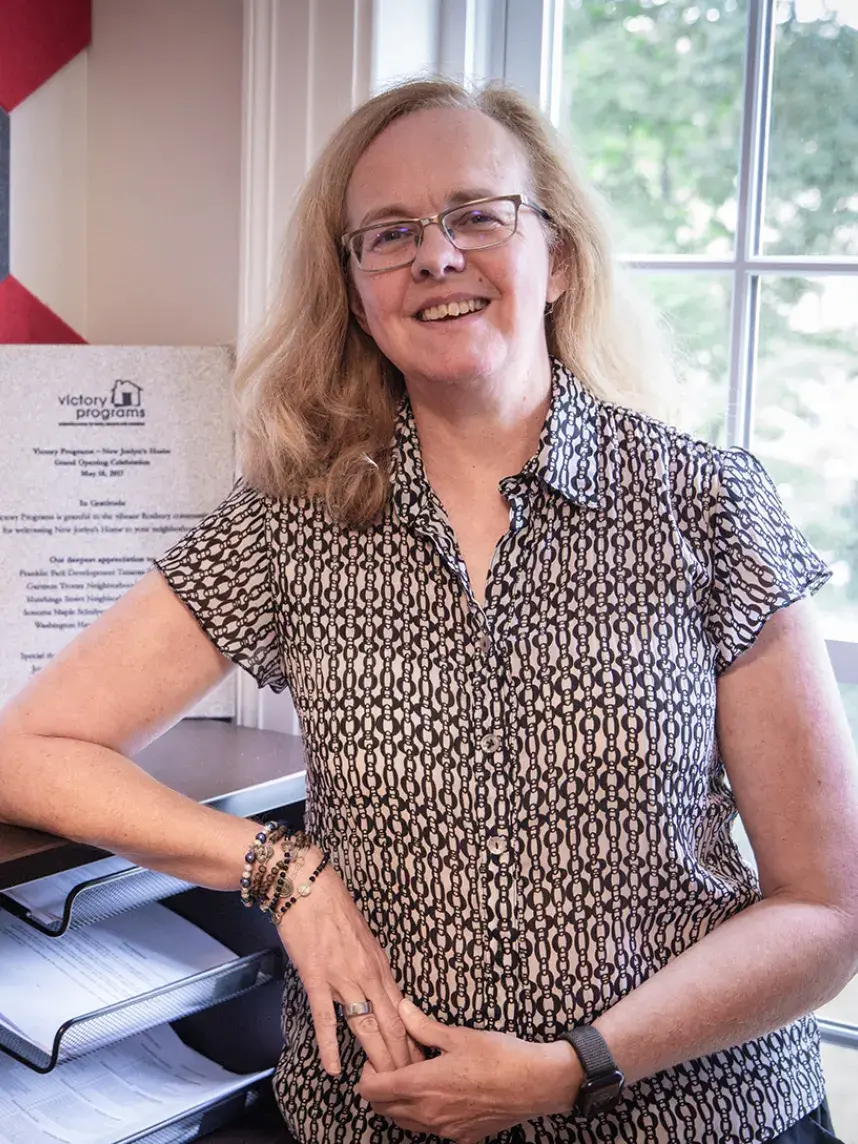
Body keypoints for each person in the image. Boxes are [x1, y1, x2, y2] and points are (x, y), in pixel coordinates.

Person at [0, 77, 856, 1144]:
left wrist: (568, 1070)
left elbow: (826, 911)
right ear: (355, 289)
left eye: (477, 216)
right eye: (389, 234)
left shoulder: (708, 503)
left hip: (707, 1119)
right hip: (380, 1123)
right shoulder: (291, 520)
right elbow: (32, 746)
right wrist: (282, 869)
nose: (436, 256)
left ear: (561, 259)